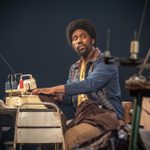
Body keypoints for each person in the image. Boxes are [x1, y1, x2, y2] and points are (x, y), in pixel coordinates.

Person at [32, 19, 124, 150]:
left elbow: (90, 84)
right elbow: (72, 98)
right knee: (53, 135)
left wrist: (54, 89)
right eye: (74, 38)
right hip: (84, 117)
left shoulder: (105, 62)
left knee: (71, 138)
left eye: (83, 36)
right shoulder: (74, 68)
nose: (78, 41)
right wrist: (60, 97)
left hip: (106, 117)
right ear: (72, 44)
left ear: (92, 40)